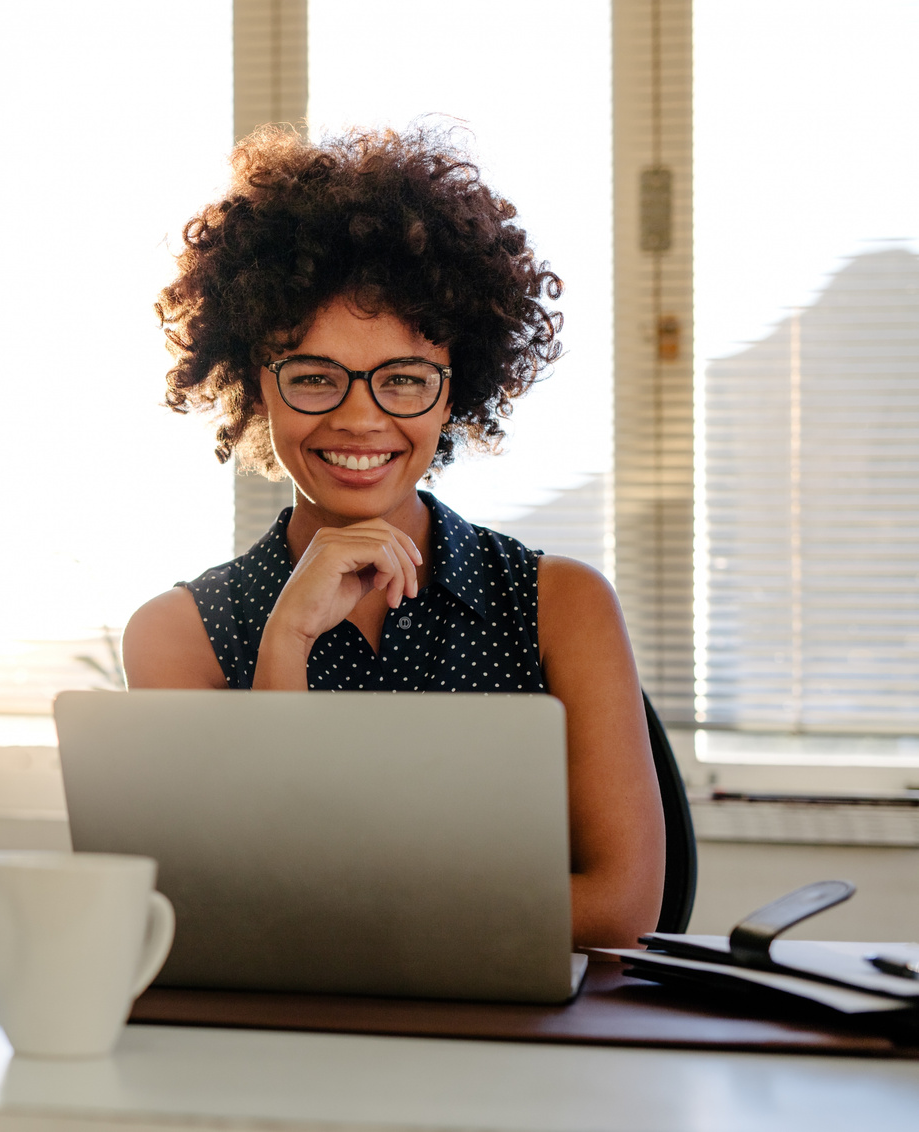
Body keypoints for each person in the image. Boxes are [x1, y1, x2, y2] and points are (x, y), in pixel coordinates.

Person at [123, 126, 664, 949]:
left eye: (404, 379)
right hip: (286, 1047)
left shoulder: (564, 605)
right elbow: (229, 895)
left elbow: (622, 905)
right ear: (256, 388)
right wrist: (286, 645)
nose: (359, 416)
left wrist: (350, 910)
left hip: (519, 1045)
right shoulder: (176, 635)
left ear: (456, 392)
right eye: (313, 376)